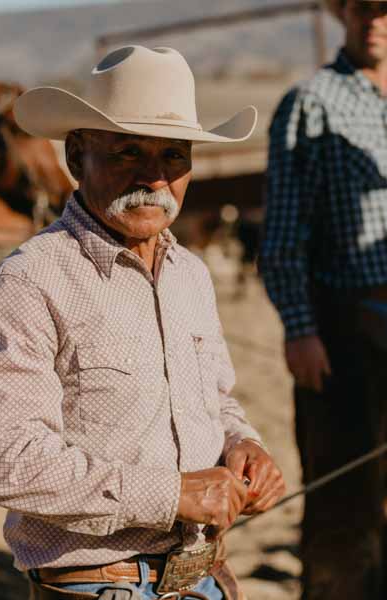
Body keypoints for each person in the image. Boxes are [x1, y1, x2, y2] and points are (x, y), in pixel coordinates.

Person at [0, 45, 285, 600]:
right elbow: (4, 459)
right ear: (77, 155)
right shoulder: (29, 281)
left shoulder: (191, 276)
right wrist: (169, 494)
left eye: (175, 156)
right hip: (95, 588)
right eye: (129, 152)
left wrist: (242, 445)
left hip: (202, 579)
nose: (155, 177)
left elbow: (215, 401)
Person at [259, 1, 387, 597]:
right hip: (344, 330)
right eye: (365, 7)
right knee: (343, 501)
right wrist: (299, 328)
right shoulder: (310, 104)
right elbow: (283, 236)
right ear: (346, 13)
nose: (376, 19)